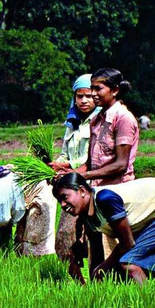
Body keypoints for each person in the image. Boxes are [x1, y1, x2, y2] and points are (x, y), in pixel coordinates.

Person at [53, 172, 155, 284]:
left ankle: (147, 306)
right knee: (118, 270)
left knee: (130, 263)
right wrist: (96, 277)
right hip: (154, 214)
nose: (63, 205)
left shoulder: (105, 199)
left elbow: (127, 243)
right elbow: (97, 253)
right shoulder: (87, 215)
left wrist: (104, 267)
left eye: (65, 197)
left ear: (81, 191)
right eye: (59, 201)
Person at [49, 74, 101, 260]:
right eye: (80, 96)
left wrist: (69, 168)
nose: (84, 100)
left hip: (91, 186)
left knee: (95, 237)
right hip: (71, 186)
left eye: (88, 95)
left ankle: (98, 279)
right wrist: (58, 164)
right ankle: (74, 280)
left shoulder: (100, 121)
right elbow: (65, 153)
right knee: (66, 236)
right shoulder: (72, 123)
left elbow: (94, 159)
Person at [73, 68, 139, 187]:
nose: (93, 93)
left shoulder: (123, 118)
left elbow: (121, 165)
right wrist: (70, 174)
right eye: (92, 88)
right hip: (97, 188)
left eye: (98, 89)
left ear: (115, 90)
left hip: (118, 190)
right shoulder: (96, 120)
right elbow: (89, 164)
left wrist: (86, 176)